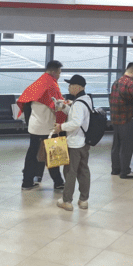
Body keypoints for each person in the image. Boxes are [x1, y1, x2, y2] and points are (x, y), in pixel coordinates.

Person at [18, 60, 67, 190]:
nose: (59, 76)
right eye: (59, 73)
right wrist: (68, 105)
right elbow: (58, 106)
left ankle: (27, 182)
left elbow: (25, 103)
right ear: (53, 72)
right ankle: (58, 182)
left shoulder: (36, 84)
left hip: (34, 127)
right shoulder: (52, 85)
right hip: (48, 126)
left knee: (32, 155)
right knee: (54, 154)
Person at [55, 74, 92, 211]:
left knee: (70, 171)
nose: (69, 87)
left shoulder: (78, 103)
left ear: (77, 87)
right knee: (83, 170)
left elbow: (76, 122)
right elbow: (78, 116)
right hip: (84, 141)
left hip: (75, 142)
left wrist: (61, 127)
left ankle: (67, 201)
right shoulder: (86, 99)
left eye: (70, 85)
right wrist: (64, 108)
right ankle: (83, 200)